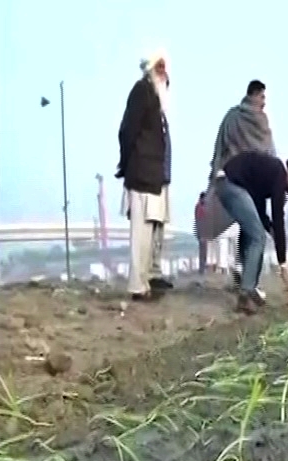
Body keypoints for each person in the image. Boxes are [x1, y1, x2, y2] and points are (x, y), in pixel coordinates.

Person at [217, 151, 288, 314]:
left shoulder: (268, 174)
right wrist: (282, 261)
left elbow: (259, 209)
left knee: (250, 232)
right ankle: (246, 292)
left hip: (227, 184)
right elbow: (278, 215)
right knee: (258, 237)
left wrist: (271, 229)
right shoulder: (279, 173)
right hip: (232, 184)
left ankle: (248, 285)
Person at [208, 80, 276, 295]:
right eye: (263, 97)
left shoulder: (231, 116)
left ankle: (242, 272)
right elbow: (268, 150)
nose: (264, 103)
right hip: (250, 180)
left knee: (246, 227)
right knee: (255, 232)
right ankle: (249, 285)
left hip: (228, 179)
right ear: (255, 94)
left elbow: (219, 146)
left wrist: (214, 174)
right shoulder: (260, 120)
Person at [117, 49, 173, 301]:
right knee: (139, 234)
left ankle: (144, 283)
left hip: (154, 176)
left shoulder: (156, 99)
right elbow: (127, 131)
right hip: (141, 173)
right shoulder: (141, 91)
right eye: (159, 68)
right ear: (151, 70)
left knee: (149, 233)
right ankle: (137, 286)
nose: (164, 74)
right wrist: (126, 163)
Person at [194, 192, 207, 274]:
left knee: (203, 251)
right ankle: (202, 269)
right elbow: (200, 220)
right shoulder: (200, 207)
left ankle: (202, 268)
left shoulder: (200, 206)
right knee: (203, 251)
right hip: (202, 232)